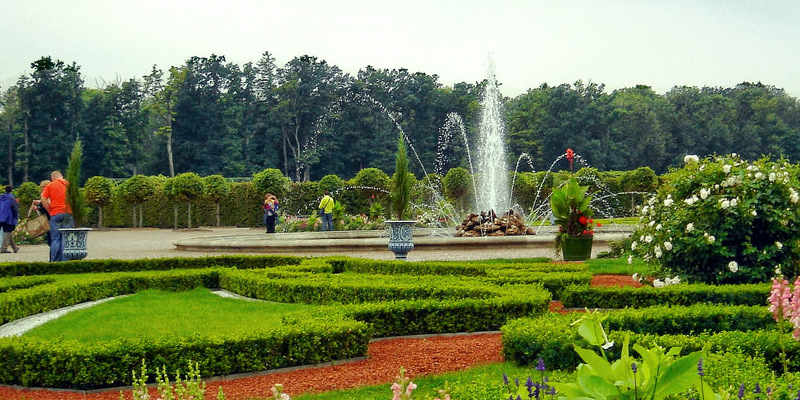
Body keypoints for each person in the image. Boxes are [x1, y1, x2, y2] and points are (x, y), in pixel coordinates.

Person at [40, 171, 73, 262]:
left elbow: (43, 199)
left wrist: (49, 210)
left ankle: (54, 261)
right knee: (66, 239)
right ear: (62, 176)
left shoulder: (50, 185)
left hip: (55, 213)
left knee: (55, 239)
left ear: (52, 178)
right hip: (68, 213)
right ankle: (65, 261)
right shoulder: (69, 185)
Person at [31, 180, 52, 246]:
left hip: (49, 217)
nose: (42, 189)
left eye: (43, 187)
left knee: (51, 237)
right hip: (47, 218)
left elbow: (46, 205)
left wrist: (39, 205)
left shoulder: (48, 195)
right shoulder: (44, 196)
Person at [0, 185, 19, 253]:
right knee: (8, 231)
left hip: (1, 217)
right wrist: (16, 217)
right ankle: (3, 248)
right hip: (9, 217)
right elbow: (15, 209)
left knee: (8, 232)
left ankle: (15, 247)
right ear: (11, 190)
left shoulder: (1, 197)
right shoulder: (11, 198)